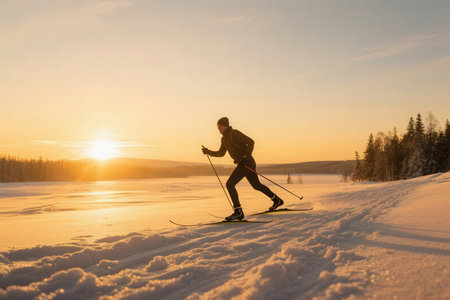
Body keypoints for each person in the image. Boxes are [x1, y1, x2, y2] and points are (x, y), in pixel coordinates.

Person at [202, 117, 284, 221]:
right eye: (217, 127)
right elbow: (221, 153)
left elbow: (251, 142)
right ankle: (277, 200)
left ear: (225, 126)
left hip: (246, 162)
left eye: (220, 126)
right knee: (256, 185)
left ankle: (238, 211)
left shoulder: (234, 133)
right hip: (243, 164)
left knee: (230, 184)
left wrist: (246, 155)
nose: (218, 129)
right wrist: (208, 151)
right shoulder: (224, 139)